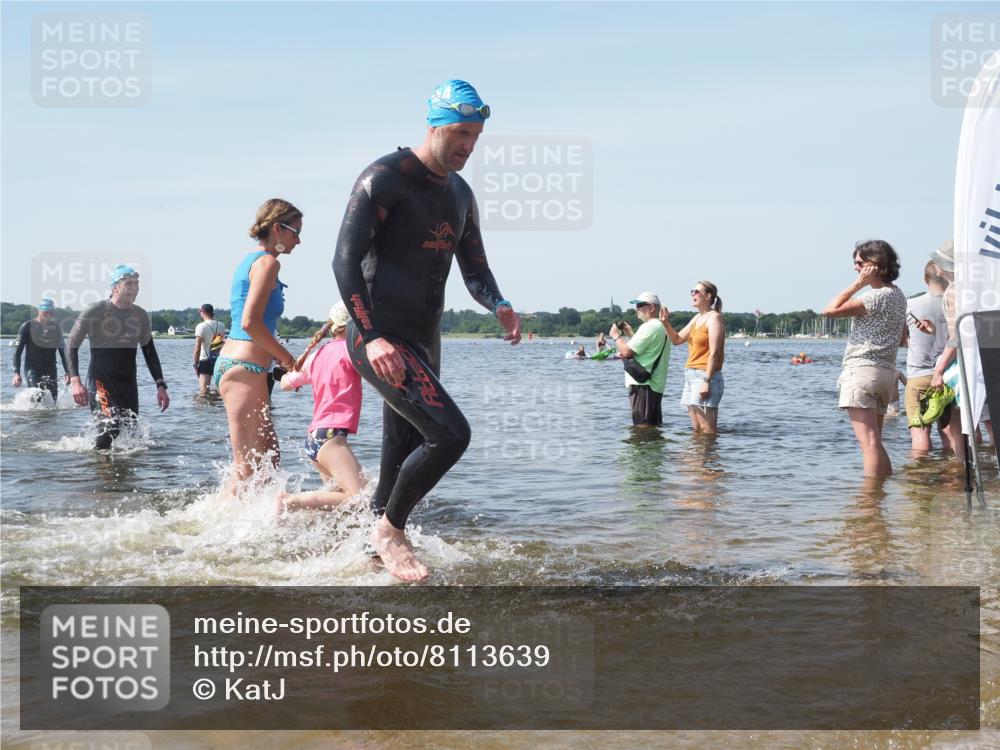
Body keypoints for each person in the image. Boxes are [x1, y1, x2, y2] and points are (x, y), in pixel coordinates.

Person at [333, 79, 521, 581]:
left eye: (475, 136)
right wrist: (372, 336)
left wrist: (499, 304)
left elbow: (476, 270)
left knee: (400, 451)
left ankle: (368, 552)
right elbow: (345, 261)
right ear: (435, 126)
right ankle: (391, 532)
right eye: (461, 133)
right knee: (450, 435)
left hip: (423, 343)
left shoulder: (460, 194)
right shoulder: (384, 178)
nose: (469, 146)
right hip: (377, 337)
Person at [216, 199, 301, 489]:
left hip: (246, 367)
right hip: (243, 368)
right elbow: (250, 323)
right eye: (295, 232)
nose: (298, 241)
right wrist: (287, 359)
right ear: (277, 229)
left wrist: (275, 355)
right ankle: (219, 517)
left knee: (268, 459)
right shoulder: (267, 263)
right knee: (246, 468)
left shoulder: (253, 261)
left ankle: (260, 514)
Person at [822, 240, 907, 478]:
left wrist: (858, 284)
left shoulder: (874, 297)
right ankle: (882, 490)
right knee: (875, 441)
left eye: (859, 263)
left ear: (875, 264)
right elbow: (902, 338)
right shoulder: (899, 296)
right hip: (885, 373)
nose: (855, 267)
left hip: (862, 370)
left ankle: (870, 496)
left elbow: (828, 310)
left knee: (868, 443)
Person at [67, 266, 169, 449]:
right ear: (115, 287)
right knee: (111, 426)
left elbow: (149, 351)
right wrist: (75, 381)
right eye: (128, 283)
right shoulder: (95, 311)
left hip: (128, 384)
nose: (134, 288)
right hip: (100, 380)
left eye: (136, 283)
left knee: (130, 433)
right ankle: (98, 464)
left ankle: (113, 465)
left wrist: (160, 385)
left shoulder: (140, 315)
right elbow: (71, 344)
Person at [278, 302, 365, 511]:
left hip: (315, 438)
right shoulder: (353, 352)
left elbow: (285, 384)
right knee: (359, 498)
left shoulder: (317, 355)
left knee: (338, 503)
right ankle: (289, 501)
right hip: (331, 438)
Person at [660, 281, 726, 434]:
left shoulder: (714, 318)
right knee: (697, 429)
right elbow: (677, 340)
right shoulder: (697, 318)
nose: (692, 294)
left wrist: (706, 381)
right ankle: (697, 451)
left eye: (696, 292)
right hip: (690, 375)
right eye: (692, 291)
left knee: (707, 431)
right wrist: (666, 323)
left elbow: (715, 353)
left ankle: (710, 450)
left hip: (706, 376)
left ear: (708, 296)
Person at [903, 259, 952, 452]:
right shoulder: (956, 304)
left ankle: (921, 470)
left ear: (925, 279)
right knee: (950, 432)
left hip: (919, 375)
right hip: (950, 375)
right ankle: (953, 470)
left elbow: (901, 339)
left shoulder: (910, 305)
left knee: (920, 431)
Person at [611, 292, 670, 427]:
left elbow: (626, 352)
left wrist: (615, 336)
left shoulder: (649, 326)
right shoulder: (662, 326)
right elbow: (646, 350)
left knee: (641, 427)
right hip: (655, 385)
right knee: (653, 426)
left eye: (640, 305)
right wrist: (631, 334)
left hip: (643, 385)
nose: (636, 308)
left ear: (652, 308)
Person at [12, 298, 70, 403]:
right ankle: (32, 413)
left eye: (50, 312)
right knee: (37, 397)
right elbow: (17, 352)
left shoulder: (56, 328)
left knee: (53, 402)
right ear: (39, 311)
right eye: (45, 312)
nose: (48, 315)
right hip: (32, 369)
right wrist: (16, 373)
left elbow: (63, 351)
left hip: (50, 368)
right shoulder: (27, 326)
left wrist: (68, 371)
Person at [193, 303, 226, 396]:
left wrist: (195, 364)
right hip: (218, 360)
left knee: (204, 391)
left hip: (205, 360)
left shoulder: (201, 326)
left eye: (200, 312)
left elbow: (197, 348)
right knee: (220, 391)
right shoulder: (221, 325)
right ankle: (217, 404)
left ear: (203, 312)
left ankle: (206, 405)